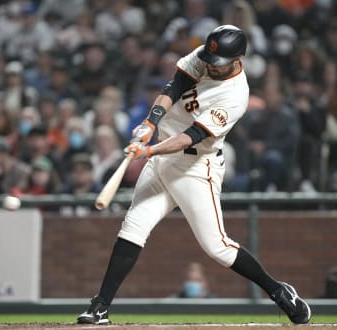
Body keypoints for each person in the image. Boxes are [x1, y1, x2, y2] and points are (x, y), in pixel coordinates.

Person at [76, 25, 311, 325]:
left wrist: (148, 151)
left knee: (217, 247)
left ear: (238, 60)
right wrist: (149, 125)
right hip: (162, 161)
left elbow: (192, 136)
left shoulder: (236, 96)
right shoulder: (206, 55)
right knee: (133, 227)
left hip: (195, 168)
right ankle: (101, 306)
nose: (210, 67)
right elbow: (173, 88)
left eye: (219, 64)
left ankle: (279, 291)